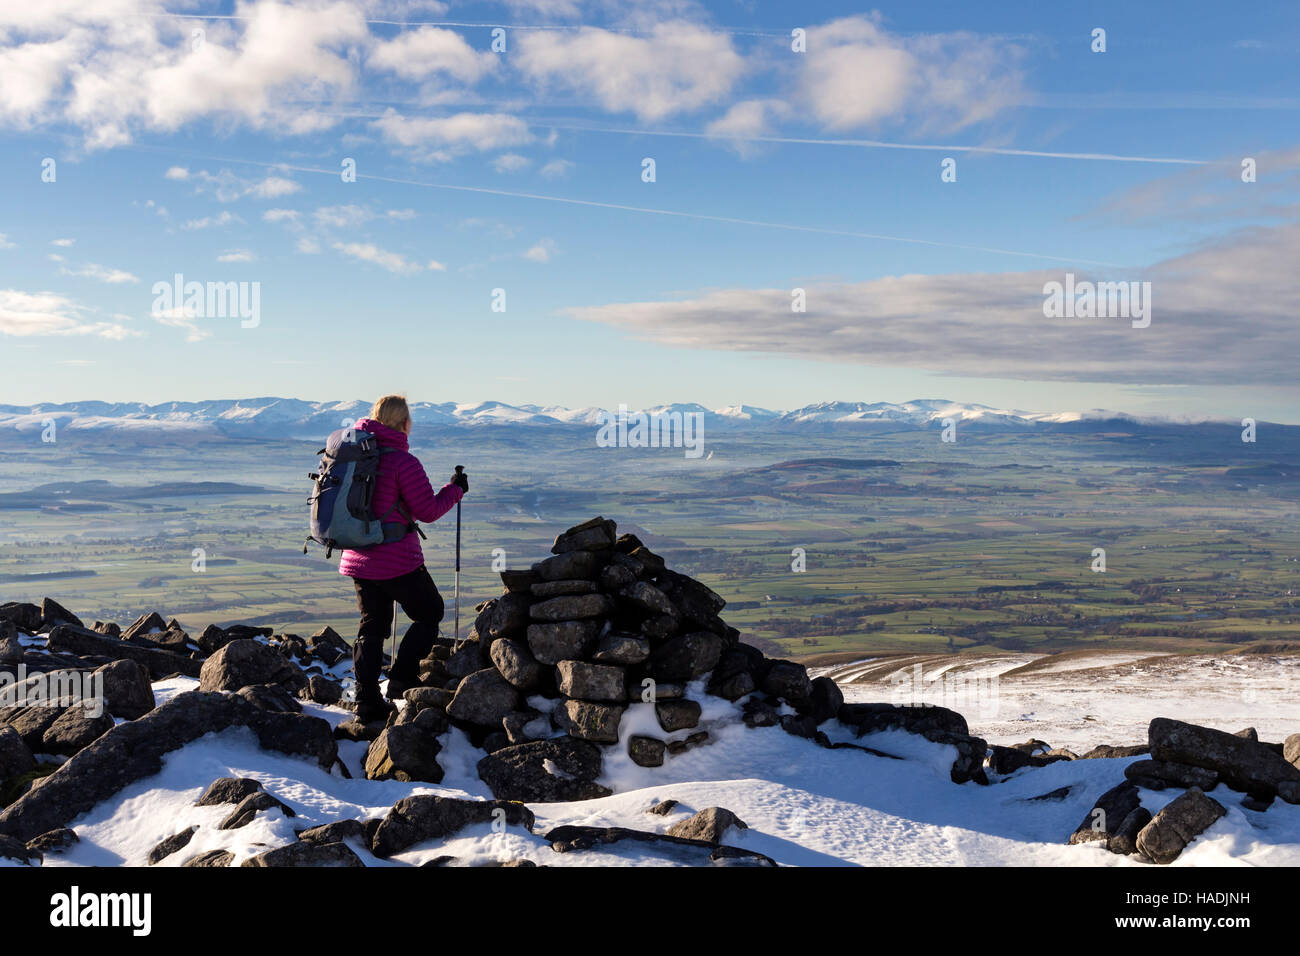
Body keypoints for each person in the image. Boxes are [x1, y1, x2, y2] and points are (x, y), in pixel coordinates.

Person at [339, 394, 467, 722]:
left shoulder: (353, 455)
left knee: (373, 625)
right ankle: (402, 678)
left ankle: (366, 701)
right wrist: (455, 490)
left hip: (357, 556)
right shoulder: (402, 462)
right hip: (396, 559)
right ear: (404, 423)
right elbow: (427, 511)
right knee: (429, 613)